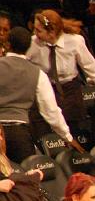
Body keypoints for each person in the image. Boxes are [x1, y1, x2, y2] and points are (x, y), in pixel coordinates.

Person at [0, 26, 79, 163]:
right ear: (29, 47)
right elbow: (51, 111)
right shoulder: (38, 74)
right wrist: (67, 137)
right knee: (26, 175)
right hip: (19, 135)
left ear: (8, 44)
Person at [27, 9, 95, 138]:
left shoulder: (75, 41)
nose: (35, 34)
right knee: (43, 133)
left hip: (70, 92)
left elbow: (92, 69)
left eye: (38, 30)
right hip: (44, 91)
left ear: (52, 32)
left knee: (72, 133)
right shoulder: (32, 43)